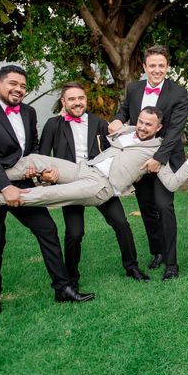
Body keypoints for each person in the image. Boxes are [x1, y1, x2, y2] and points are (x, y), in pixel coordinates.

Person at [0, 65, 94, 315]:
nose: (19, 89)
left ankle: (62, 287)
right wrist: (5, 186)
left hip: (23, 185)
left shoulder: (29, 112)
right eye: (13, 83)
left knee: (47, 229)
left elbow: (31, 148)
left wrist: (38, 170)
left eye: (23, 86)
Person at [0, 108, 188, 213]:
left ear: (159, 127)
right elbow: (100, 124)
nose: (144, 127)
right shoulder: (126, 130)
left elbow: (172, 184)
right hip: (85, 168)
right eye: (142, 122)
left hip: (101, 186)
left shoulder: (158, 150)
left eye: (149, 125)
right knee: (37, 160)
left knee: (49, 195)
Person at [40, 82, 148, 283]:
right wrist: (45, 175)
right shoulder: (53, 125)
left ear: (85, 100)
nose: (77, 102)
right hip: (71, 184)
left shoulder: (99, 122)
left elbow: (116, 150)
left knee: (121, 223)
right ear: (63, 102)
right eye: (71, 99)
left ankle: (132, 267)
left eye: (81, 98)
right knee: (74, 233)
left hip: (100, 182)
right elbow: (42, 157)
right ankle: (71, 276)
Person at [108, 45, 188, 280]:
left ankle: (172, 264)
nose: (157, 70)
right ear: (144, 67)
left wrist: (158, 159)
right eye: (152, 65)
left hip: (165, 158)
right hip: (137, 157)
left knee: (164, 207)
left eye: (161, 65)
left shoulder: (178, 93)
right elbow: (124, 111)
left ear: (167, 67)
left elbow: (175, 130)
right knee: (146, 208)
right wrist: (116, 120)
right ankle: (157, 252)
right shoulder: (134, 88)